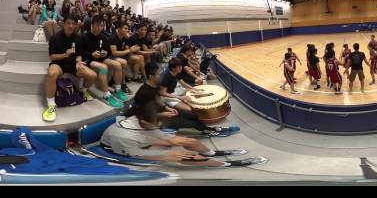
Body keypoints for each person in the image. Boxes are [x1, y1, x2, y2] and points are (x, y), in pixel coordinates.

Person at [100, 100, 259, 167]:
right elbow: (143, 152)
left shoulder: (143, 119)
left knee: (186, 141)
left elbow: (156, 130)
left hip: (138, 136)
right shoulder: (125, 136)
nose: (160, 123)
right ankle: (226, 164)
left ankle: (211, 152)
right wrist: (167, 149)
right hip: (124, 147)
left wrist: (169, 138)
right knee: (178, 154)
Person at [131, 62, 235, 136]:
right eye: (159, 73)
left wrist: (166, 108)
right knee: (189, 123)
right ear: (150, 76)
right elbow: (142, 113)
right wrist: (163, 114)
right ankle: (207, 131)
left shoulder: (155, 85)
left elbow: (158, 98)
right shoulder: (144, 92)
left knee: (193, 114)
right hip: (154, 119)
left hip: (161, 112)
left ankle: (208, 129)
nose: (161, 75)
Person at [43, 16, 98, 122]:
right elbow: (52, 57)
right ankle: (51, 105)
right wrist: (65, 54)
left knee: (93, 75)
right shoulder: (55, 38)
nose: (71, 26)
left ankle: (83, 91)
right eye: (68, 23)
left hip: (73, 64)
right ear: (63, 24)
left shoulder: (78, 38)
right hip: (59, 63)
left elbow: (79, 55)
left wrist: (78, 62)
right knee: (51, 74)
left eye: (73, 24)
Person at [82, 15, 128, 107]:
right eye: (97, 25)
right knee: (103, 68)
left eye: (102, 26)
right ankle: (106, 94)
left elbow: (107, 51)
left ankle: (118, 89)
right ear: (92, 25)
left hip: (101, 59)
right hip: (89, 60)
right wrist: (91, 54)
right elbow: (81, 53)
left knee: (117, 65)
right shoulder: (84, 37)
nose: (100, 28)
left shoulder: (104, 37)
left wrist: (105, 53)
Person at [108, 21, 137, 93]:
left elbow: (127, 48)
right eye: (125, 28)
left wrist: (132, 50)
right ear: (119, 29)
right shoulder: (113, 37)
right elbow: (114, 53)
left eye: (128, 29)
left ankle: (135, 77)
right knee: (124, 62)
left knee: (137, 58)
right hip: (110, 57)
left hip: (121, 55)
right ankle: (123, 83)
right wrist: (129, 50)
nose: (127, 30)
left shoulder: (125, 37)